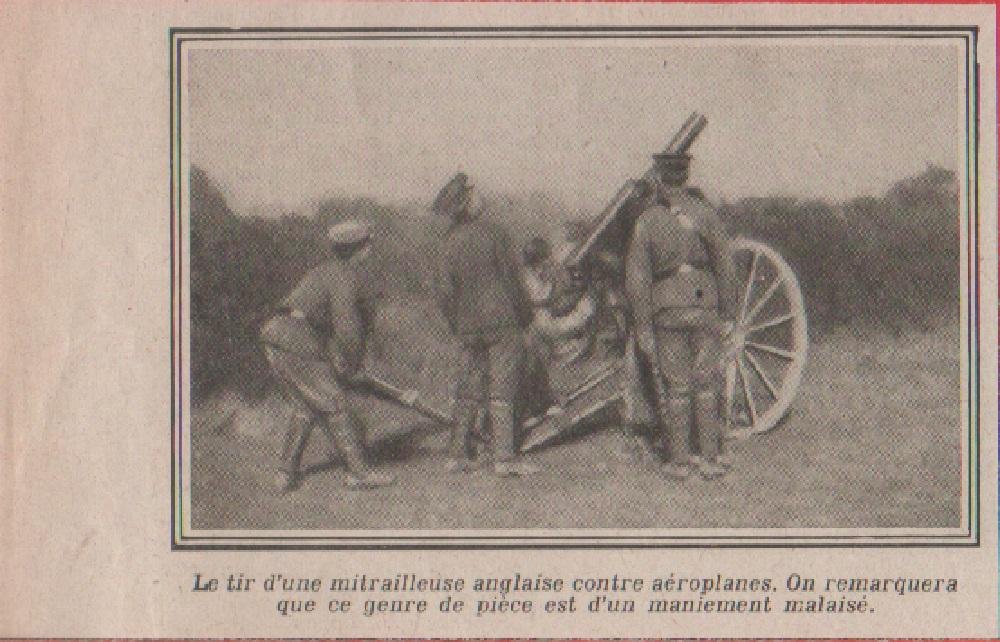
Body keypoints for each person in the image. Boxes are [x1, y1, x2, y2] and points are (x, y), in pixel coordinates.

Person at [259, 220, 402, 492]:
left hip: (275, 334)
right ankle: (358, 473)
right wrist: (352, 367)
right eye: (367, 245)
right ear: (359, 249)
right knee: (336, 403)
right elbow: (347, 329)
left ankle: (285, 474)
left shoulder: (325, 270)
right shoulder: (345, 277)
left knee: (305, 407)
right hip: (296, 339)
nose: (370, 249)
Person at [624, 153, 738, 480]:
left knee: (677, 387)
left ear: (660, 179)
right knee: (706, 383)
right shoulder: (706, 215)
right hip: (704, 307)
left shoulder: (647, 221)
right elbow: (726, 268)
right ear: (686, 177)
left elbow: (638, 279)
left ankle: (680, 461)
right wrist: (728, 314)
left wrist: (643, 326)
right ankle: (711, 458)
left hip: (667, 310)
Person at [433, 172, 539, 476]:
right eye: (473, 192)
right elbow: (513, 281)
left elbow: (444, 292)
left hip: (467, 327)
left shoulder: (447, 242)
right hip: (502, 322)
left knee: (467, 390)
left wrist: (458, 324)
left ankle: (456, 455)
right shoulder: (495, 234)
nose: (480, 195)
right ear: (467, 202)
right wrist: (526, 317)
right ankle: (504, 459)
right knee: (502, 390)